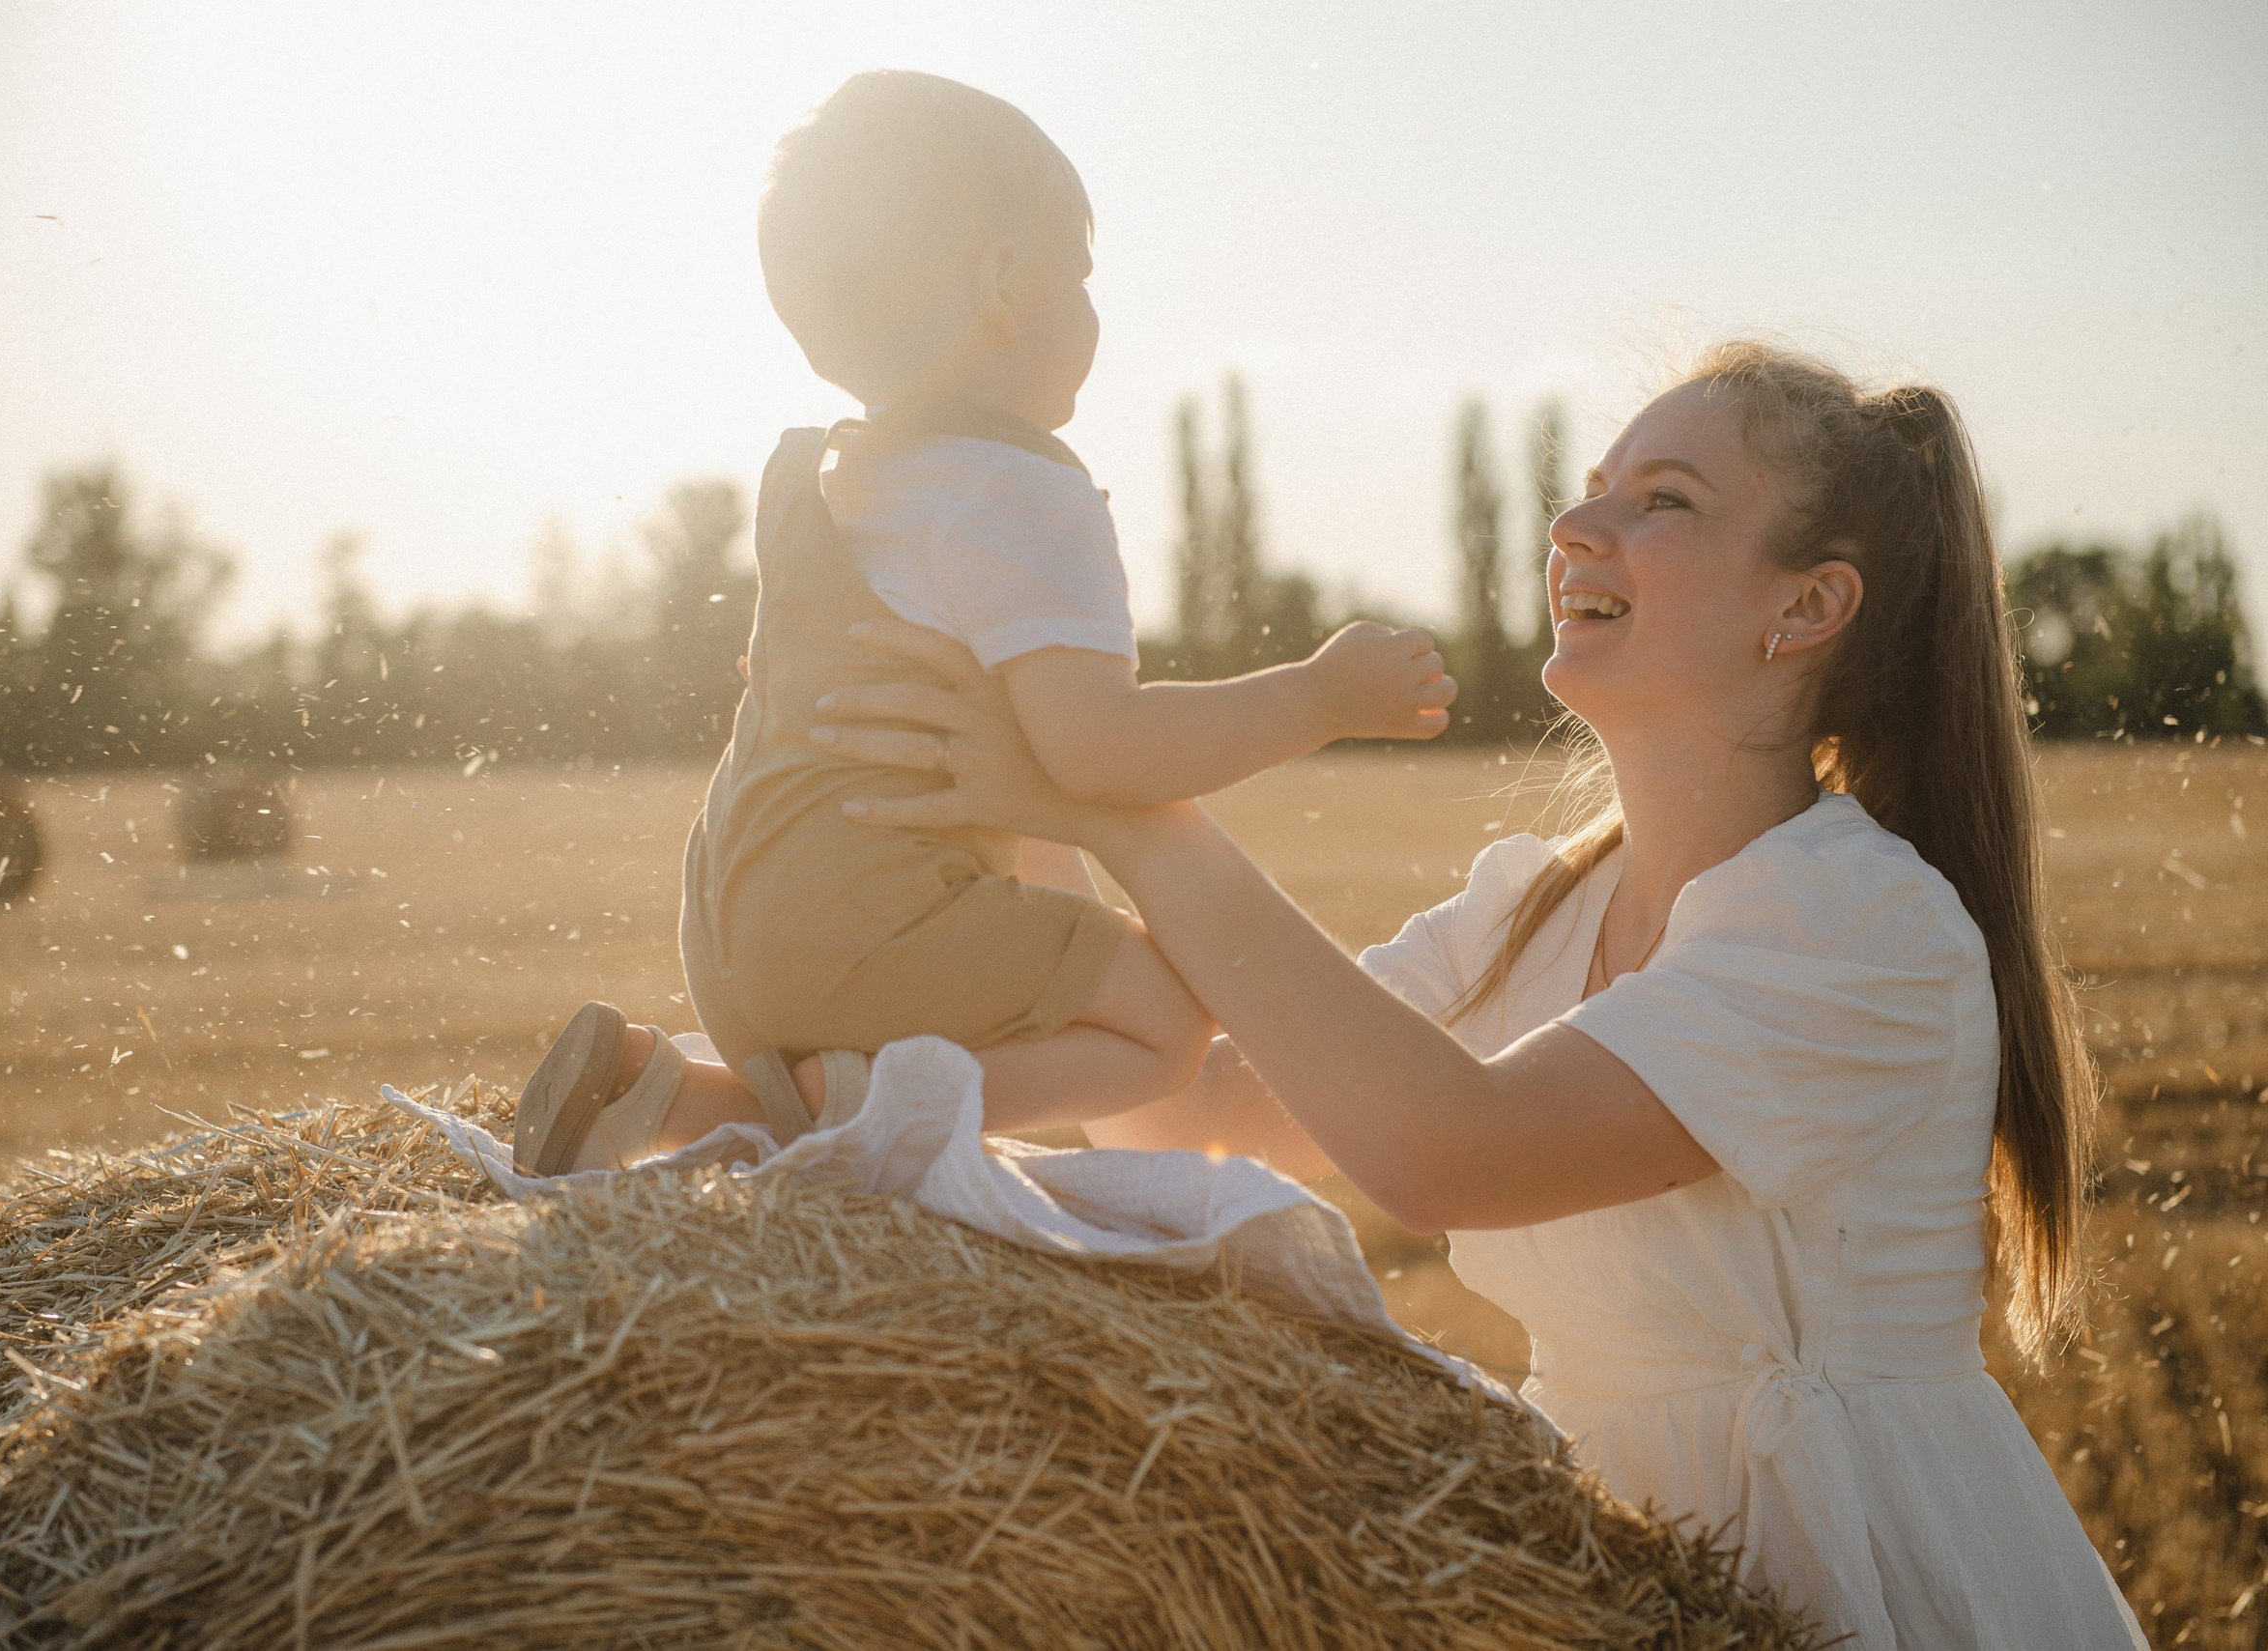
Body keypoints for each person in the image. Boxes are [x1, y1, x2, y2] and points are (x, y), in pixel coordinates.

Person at [804, 342, 2146, 1646]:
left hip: (1856, 1567)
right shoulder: (1526, 914)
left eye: (1661, 500)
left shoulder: (1862, 927)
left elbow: (1455, 1150)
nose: (1578, 522)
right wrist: (1026, 773)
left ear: (1804, 608)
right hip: (1608, 1572)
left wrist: (1145, 821)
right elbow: (1190, 1114)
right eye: (1596, 485)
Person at [511, 71, 1448, 1177]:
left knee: (1032, 979)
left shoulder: (835, 482)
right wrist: (1319, 695)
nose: (1096, 316)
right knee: (1163, 1026)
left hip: (727, 924)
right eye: (1084, 280)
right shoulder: (1020, 493)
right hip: (863, 926)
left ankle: (670, 1089)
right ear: (1005, 282)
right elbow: (1097, 750)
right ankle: (809, 1126)